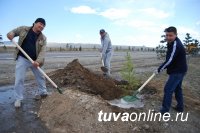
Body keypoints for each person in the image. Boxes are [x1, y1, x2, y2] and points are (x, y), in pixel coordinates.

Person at [7, 18, 48, 108]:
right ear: (34, 23)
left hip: (35, 61)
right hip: (22, 58)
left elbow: (43, 52)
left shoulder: (43, 38)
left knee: (41, 76)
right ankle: (18, 99)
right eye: (40, 24)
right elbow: (14, 32)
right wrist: (11, 34)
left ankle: (43, 93)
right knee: (19, 79)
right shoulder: (24, 29)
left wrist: (38, 61)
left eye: (43, 26)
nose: (41, 26)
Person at [156, 26, 187, 114]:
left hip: (178, 71)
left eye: (170, 35)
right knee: (177, 89)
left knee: (168, 89)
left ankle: (164, 110)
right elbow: (171, 59)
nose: (168, 37)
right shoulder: (172, 42)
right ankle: (180, 107)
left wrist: (159, 69)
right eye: (167, 35)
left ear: (176, 35)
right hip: (180, 69)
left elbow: (169, 60)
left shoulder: (175, 44)